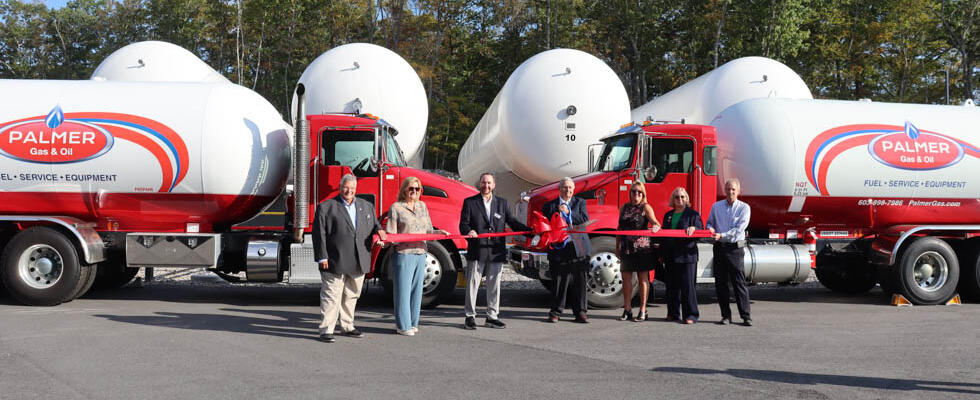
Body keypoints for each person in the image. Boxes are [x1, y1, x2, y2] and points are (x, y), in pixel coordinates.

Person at [312, 174, 387, 343]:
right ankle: (326, 329)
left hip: (359, 259)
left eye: (352, 188)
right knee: (332, 296)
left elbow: (375, 224)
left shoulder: (366, 206)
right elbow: (319, 235)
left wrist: (380, 230)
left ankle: (347, 326)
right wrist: (322, 257)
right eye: (346, 187)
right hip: (334, 259)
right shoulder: (326, 207)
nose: (349, 191)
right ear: (340, 187)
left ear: (356, 189)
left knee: (352, 295)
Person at [459, 172, 531, 330]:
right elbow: (463, 224)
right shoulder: (470, 202)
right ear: (480, 184)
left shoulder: (502, 203)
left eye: (489, 183)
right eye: (484, 183)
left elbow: (512, 222)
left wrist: (529, 232)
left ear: (494, 185)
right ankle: (470, 316)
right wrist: (469, 231)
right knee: (473, 284)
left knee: (494, 286)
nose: (486, 186)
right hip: (477, 250)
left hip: (496, 251)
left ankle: (492, 316)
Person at [386, 176, 450, 336]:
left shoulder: (422, 206)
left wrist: (439, 232)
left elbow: (427, 230)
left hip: (421, 252)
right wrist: (385, 241)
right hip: (403, 254)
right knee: (403, 291)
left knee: (416, 291)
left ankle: (413, 323)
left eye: (417, 189)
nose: (414, 191)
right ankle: (402, 326)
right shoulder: (396, 207)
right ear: (404, 190)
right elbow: (391, 233)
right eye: (411, 188)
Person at [542, 177, 592, 323]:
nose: (568, 190)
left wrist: (568, 212)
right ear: (559, 189)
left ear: (574, 189)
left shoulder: (580, 203)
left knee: (580, 281)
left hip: (578, 248)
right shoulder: (549, 206)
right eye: (565, 187)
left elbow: (584, 219)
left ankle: (581, 313)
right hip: (558, 249)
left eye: (570, 187)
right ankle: (555, 312)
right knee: (558, 281)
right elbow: (545, 225)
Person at [706, 178, 753, 326]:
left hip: (735, 249)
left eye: (733, 189)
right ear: (724, 190)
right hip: (719, 249)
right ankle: (726, 316)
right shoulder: (716, 206)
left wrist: (722, 235)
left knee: (739, 283)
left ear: (739, 191)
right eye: (728, 189)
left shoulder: (745, 208)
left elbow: (740, 229)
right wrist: (711, 229)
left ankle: (746, 316)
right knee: (721, 284)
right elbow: (709, 222)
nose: (730, 192)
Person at [616, 182, 661, 322]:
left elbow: (656, 223)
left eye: (639, 192)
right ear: (630, 193)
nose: (636, 194)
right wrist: (617, 246)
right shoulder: (624, 207)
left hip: (642, 249)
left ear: (643, 194)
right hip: (626, 249)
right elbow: (619, 227)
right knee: (626, 279)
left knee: (643, 279)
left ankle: (642, 310)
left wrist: (655, 227)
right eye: (634, 191)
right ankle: (627, 309)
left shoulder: (646, 207)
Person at [662, 187, 703, 325]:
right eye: (677, 197)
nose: (679, 199)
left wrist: (695, 229)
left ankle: (691, 315)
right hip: (671, 255)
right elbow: (664, 235)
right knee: (672, 286)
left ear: (687, 199)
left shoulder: (693, 214)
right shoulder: (667, 215)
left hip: (687, 256)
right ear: (672, 200)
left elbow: (700, 231)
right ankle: (673, 313)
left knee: (688, 287)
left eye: (682, 197)